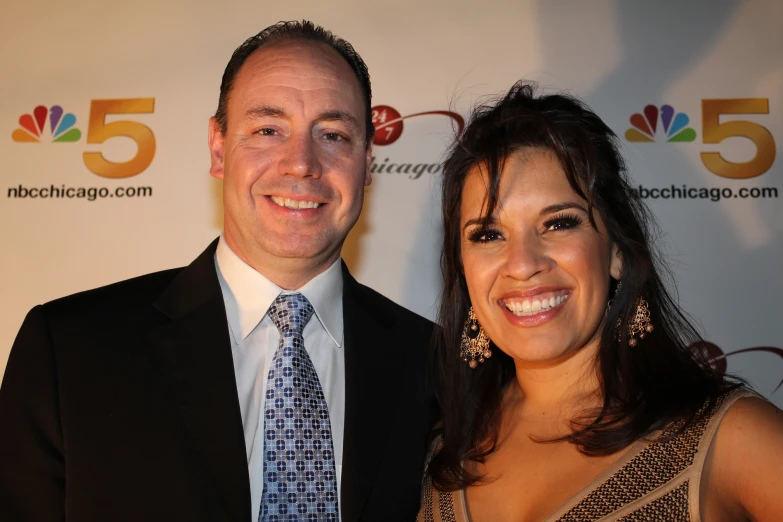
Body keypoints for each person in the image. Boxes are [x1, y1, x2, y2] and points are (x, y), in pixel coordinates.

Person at [0, 21, 438, 522]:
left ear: (366, 163)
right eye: (268, 130)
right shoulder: (69, 349)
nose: (301, 164)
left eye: (333, 134)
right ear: (217, 148)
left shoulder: (437, 367)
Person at [418, 82, 783, 521]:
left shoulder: (729, 437)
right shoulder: (439, 454)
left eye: (558, 224)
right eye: (488, 235)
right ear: (462, 267)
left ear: (615, 251)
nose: (522, 263)